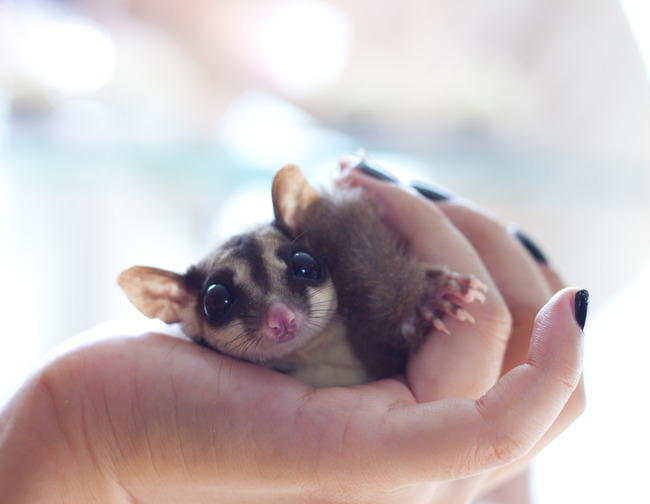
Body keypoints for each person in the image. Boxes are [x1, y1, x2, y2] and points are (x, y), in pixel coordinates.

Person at [0, 158, 587, 503]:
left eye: (302, 272)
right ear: (171, 304)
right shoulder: (176, 386)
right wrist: (78, 436)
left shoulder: (356, 299)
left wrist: (423, 295)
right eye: (224, 300)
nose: (278, 315)